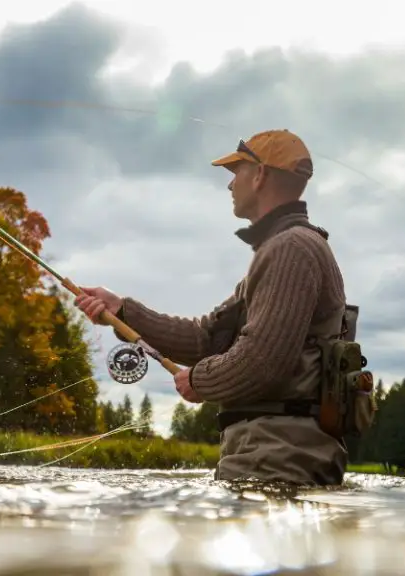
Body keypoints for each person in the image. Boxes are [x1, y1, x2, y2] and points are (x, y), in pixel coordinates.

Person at [75, 129, 355, 486]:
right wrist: (123, 311)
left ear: (260, 175)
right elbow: (207, 338)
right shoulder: (281, 249)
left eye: (236, 172)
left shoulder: (291, 249)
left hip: (278, 461)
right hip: (270, 456)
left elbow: (262, 361)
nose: (229, 186)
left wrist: (198, 380)